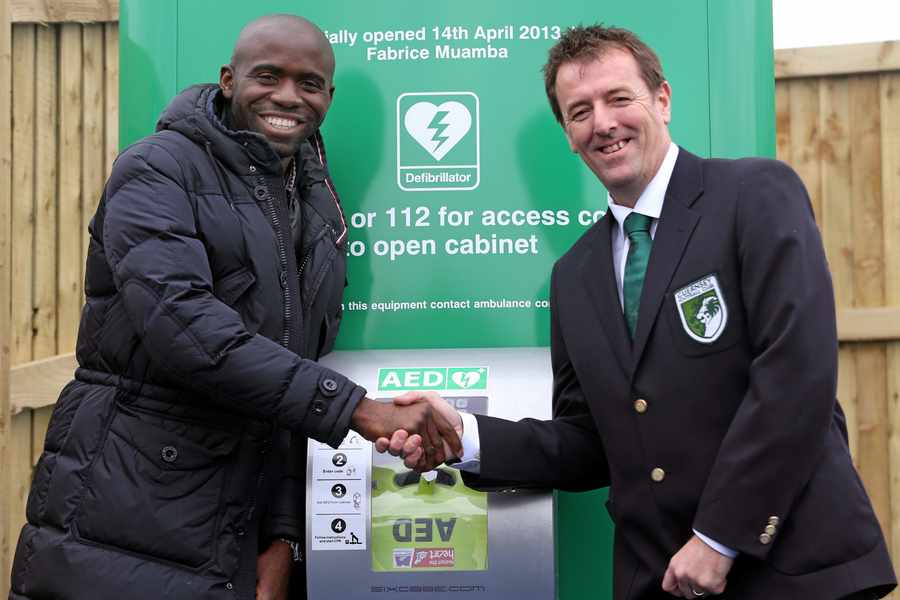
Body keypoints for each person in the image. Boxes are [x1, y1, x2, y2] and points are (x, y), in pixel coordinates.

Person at [379, 25, 897, 600]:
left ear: (663, 100)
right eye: (580, 111)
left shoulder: (754, 194)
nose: (603, 123)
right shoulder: (574, 276)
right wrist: (463, 437)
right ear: (568, 135)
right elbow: (590, 442)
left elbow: (797, 376)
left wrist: (719, 538)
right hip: (659, 582)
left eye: (619, 98)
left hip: (793, 574)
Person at [9, 14, 459, 600]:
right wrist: (360, 411)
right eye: (268, 76)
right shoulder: (156, 167)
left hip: (234, 526)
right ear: (228, 79)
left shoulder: (316, 202)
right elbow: (186, 328)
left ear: (328, 95)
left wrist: (281, 537)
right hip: (126, 511)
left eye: (309, 83)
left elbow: (285, 376)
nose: (287, 97)